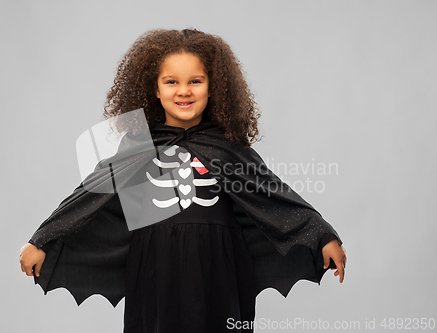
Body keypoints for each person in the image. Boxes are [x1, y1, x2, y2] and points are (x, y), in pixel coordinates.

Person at [19, 28, 347, 333]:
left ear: (213, 87)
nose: (184, 91)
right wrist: (43, 238)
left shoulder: (230, 149)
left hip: (219, 272)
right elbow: (90, 196)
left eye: (196, 81)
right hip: (153, 271)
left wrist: (321, 235)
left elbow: (276, 199)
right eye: (171, 82)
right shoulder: (137, 146)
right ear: (154, 89)